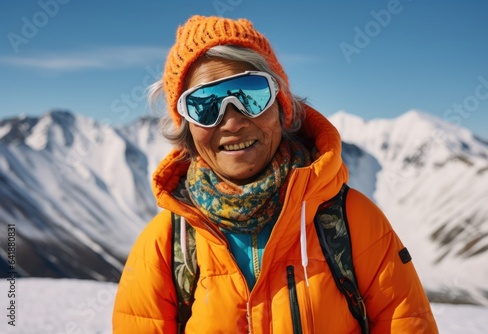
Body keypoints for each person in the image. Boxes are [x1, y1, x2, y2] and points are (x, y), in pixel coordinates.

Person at [112, 15, 438, 333]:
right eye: (204, 105)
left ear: (282, 106)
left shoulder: (356, 223)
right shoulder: (166, 246)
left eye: (250, 94)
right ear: (186, 127)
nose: (232, 121)